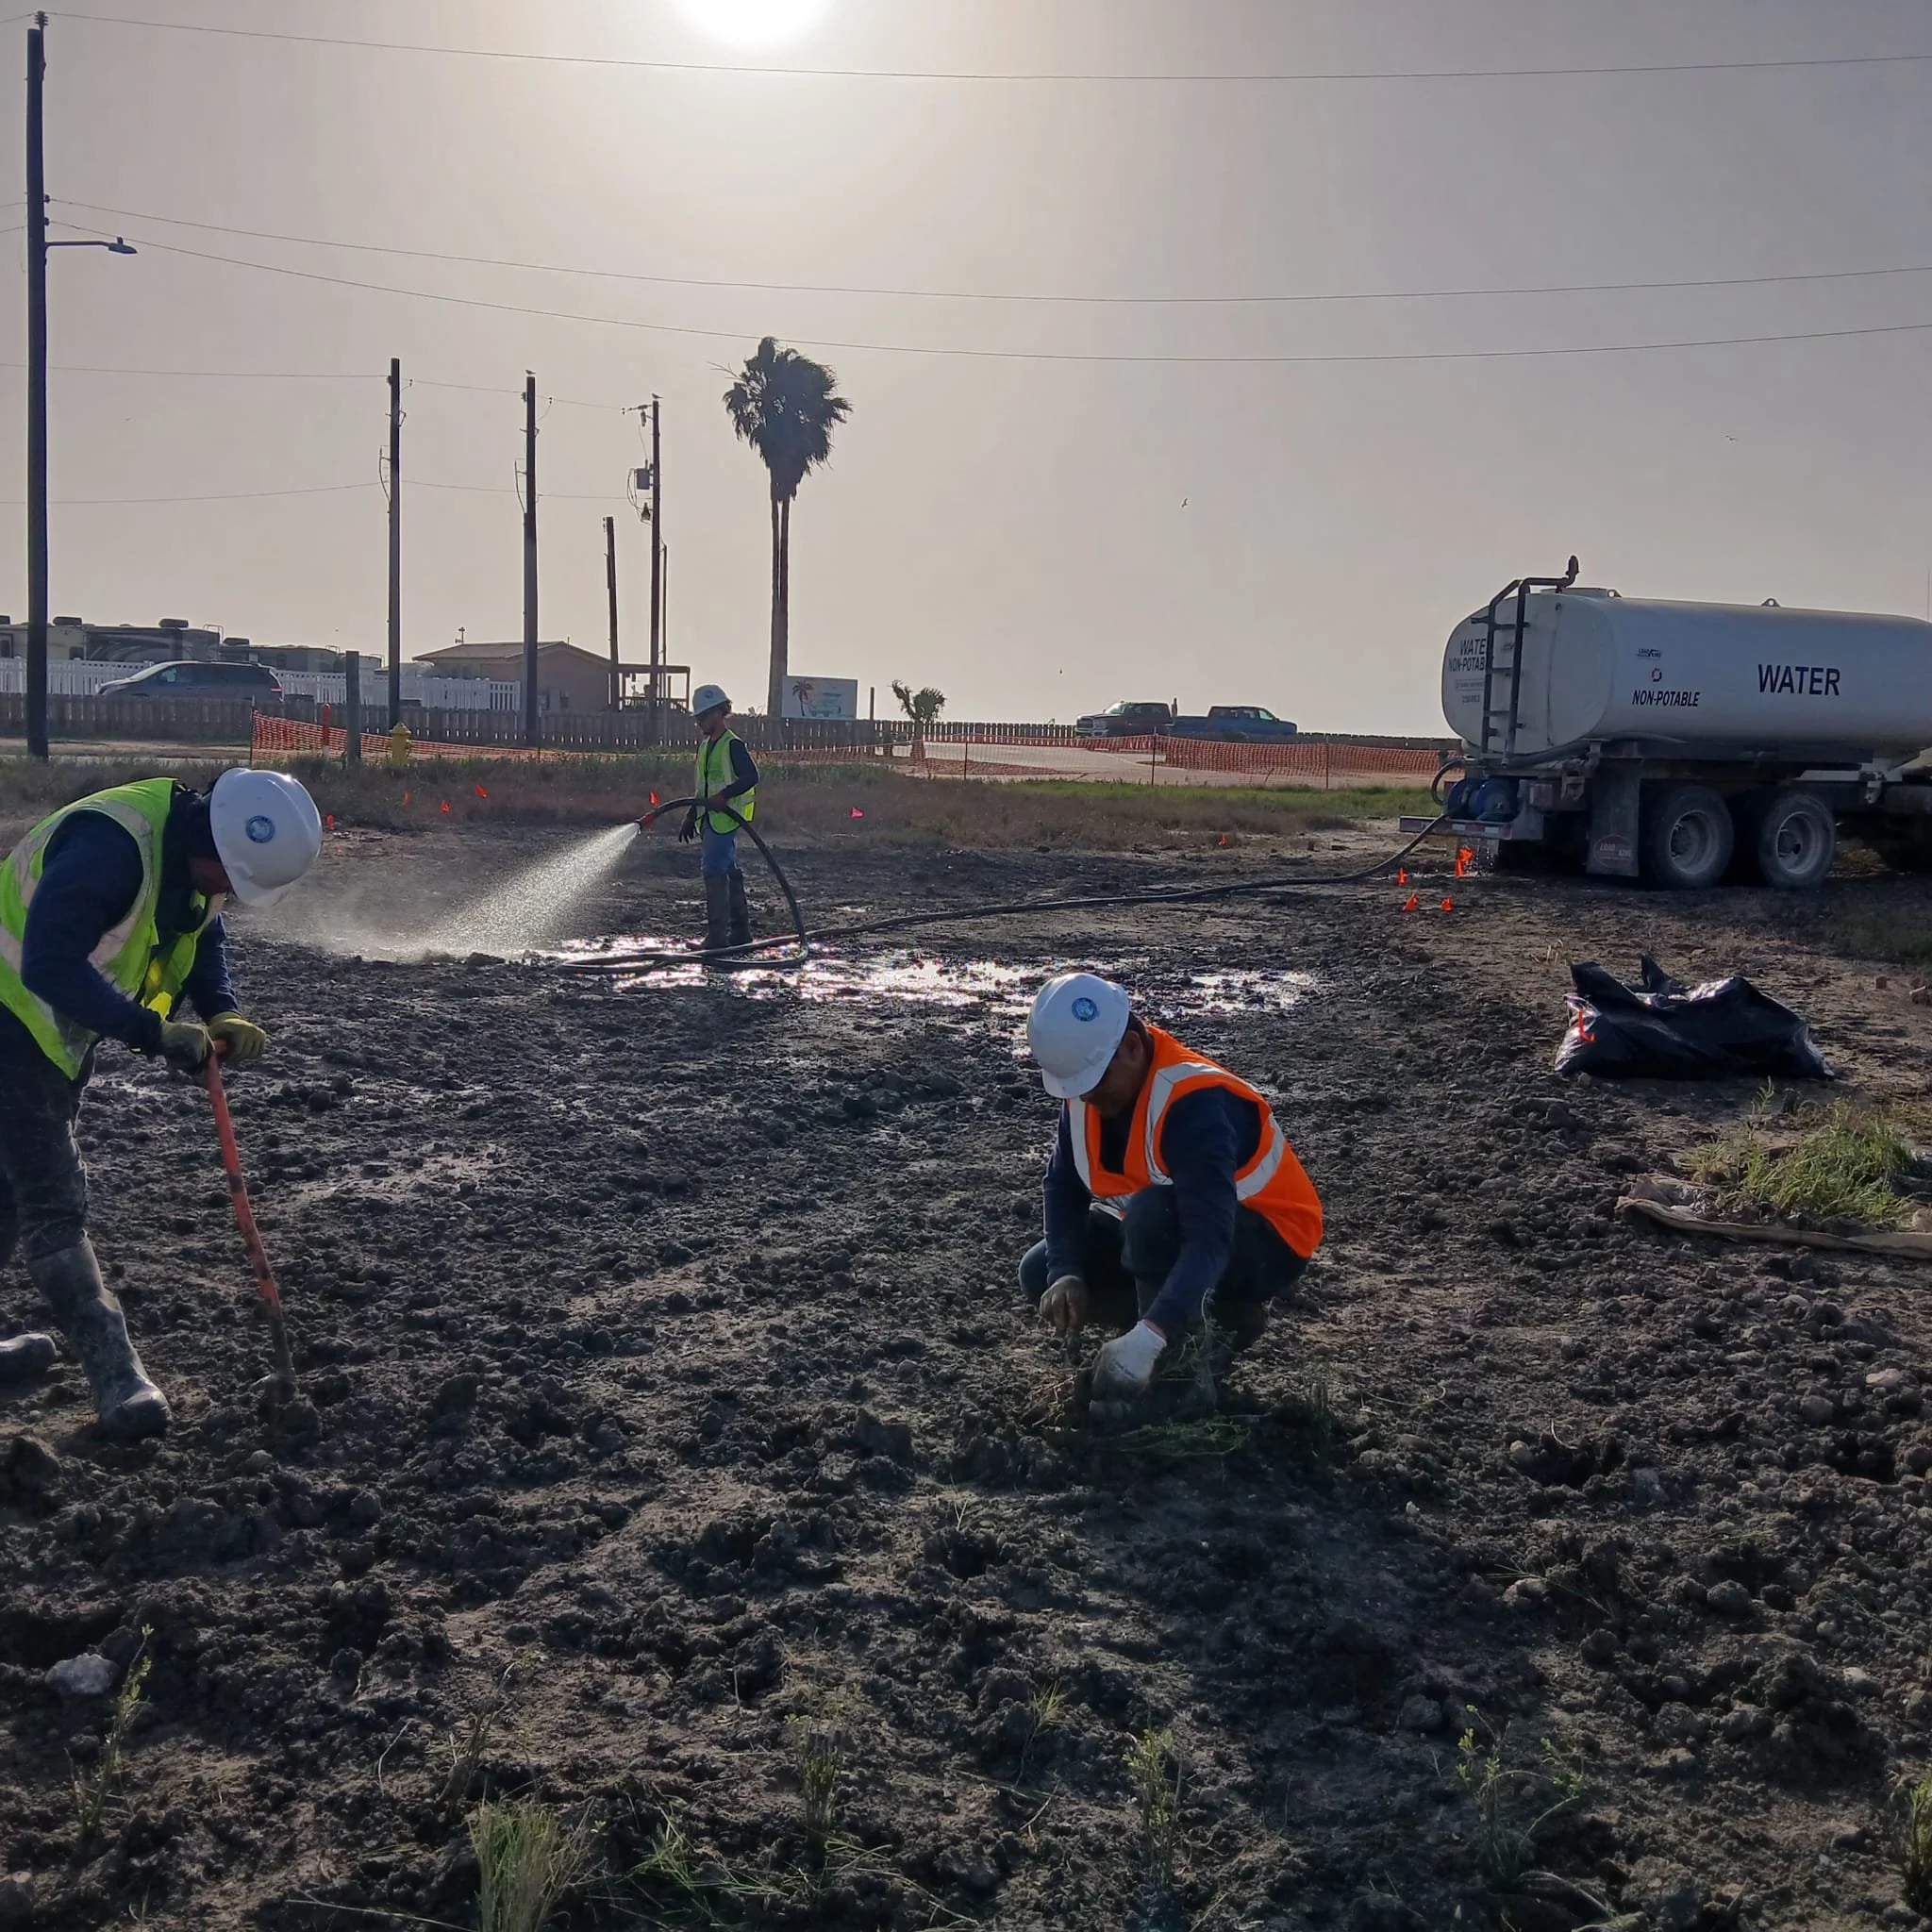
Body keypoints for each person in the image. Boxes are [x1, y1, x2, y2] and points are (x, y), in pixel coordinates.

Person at [0, 768, 323, 1439]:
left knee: (8, 1191)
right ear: (216, 848)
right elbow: (47, 965)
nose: (228, 896)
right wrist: (153, 1032)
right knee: (53, 1203)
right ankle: (117, 1377)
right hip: (9, 1018)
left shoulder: (192, 853)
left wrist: (221, 1009)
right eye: (230, 880)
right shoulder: (109, 848)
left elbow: (198, 928)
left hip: (46, 1030)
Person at [1018, 972, 1324, 1404]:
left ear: (1131, 1047)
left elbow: (1209, 1239)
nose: (1085, 1100)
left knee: (1151, 1215)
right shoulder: (1088, 1082)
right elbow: (1063, 1184)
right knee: (1040, 1269)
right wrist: (1066, 1272)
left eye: (1093, 1085)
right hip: (1171, 1226)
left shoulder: (1193, 1100)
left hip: (1267, 1243)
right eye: (1077, 1089)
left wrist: (1150, 1337)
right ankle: (1215, 1318)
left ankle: (1180, 1369)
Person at [676, 682, 759, 957]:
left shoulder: (732, 745)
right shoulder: (705, 746)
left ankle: (717, 937)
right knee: (728, 870)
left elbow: (751, 777)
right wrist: (691, 814)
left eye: (702, 716)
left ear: (718, 713)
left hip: (724, 819)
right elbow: (703, 787)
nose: (699, 722)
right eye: (697, 718)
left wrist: (725, 796)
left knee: (713, 870)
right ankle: (739, 932)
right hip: (709, 819)